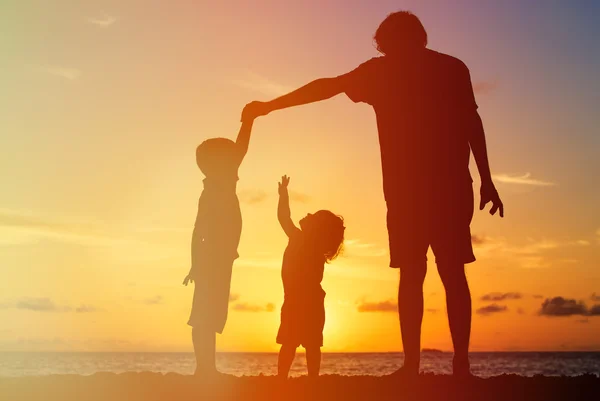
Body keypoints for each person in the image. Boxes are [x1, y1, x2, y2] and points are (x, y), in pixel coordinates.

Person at [241, 11, 503, 377]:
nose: (393, 51)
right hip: (420, 192)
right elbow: (326, 87)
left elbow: (470, 121)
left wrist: (488, 179)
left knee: (441, 274)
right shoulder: (406, 70)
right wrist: (270, 107)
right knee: (426, 275)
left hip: (433, 191)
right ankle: (421, 364)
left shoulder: (410, 70)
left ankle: (450, 363)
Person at [182, 117, 255, 377]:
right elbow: (197, 229)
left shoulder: (221, 184)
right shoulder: (215, 188)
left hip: (217, 260)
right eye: (229, 158)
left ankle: (206, 368)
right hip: (210, 260)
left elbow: (239, 150)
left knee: (210, 315)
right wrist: (195, 263)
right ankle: (204, 368)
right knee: (204, 316)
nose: (236, 162)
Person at [275, 175, 345, 379]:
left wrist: (283, 194)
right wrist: (284, 194)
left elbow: (283, 217)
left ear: (316, 229)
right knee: (311, 344)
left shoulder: (300, 239)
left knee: (291, 342)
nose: (307, 214)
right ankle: (312, 378)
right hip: (310, 300)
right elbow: (284, 217)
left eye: (312, 216)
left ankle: (283, 379)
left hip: (298, 300)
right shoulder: (310, 244)